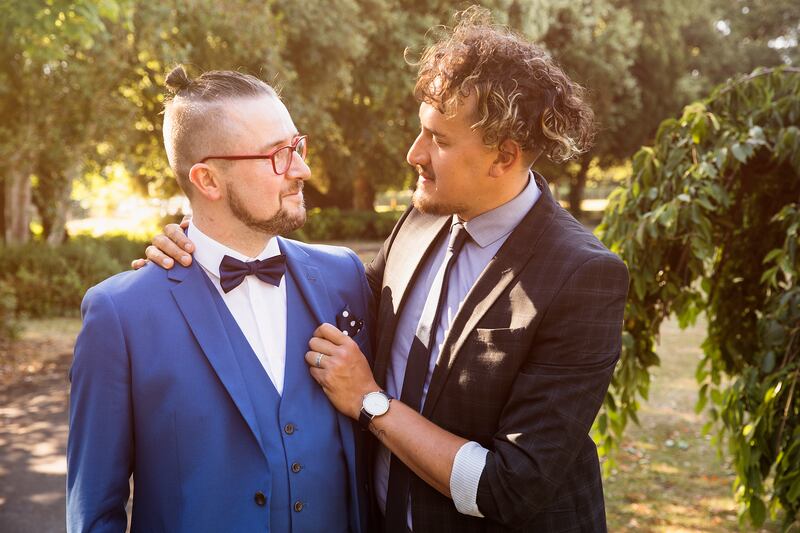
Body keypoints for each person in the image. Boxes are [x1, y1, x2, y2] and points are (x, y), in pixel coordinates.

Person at [142, 8, 629, 532]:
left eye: (439, 140)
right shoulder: (422, 218)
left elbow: (509, 485)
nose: (412, 153)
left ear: (503, 157)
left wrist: (371, 403)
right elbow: (334, 308)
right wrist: (195, 249)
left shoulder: (584, 276)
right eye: (421, 131)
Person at [67, 66, 371, 532]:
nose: (302, 170)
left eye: (298, 147)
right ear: (207, 180)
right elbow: (94, 512)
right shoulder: (120, 315)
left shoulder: (344, 276)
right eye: (278, 156)